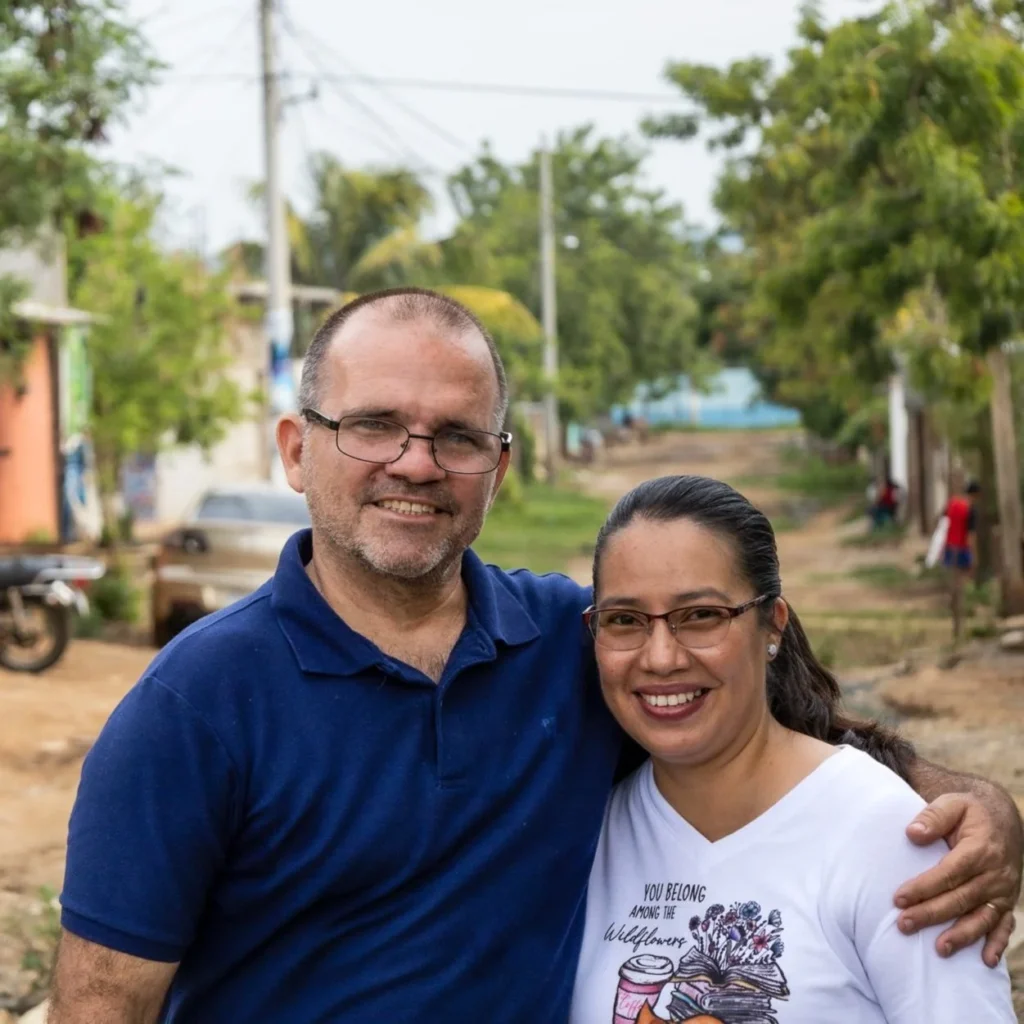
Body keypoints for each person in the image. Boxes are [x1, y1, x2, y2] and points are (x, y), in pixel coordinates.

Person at [51, 289, 1021, 1023]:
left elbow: (776, 725)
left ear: (498, 466)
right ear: (297, 448)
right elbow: (102, 1006)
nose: (416, 462)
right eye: (375, 425)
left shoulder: (575, 642)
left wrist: (970, 804)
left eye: (456, 435)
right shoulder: (193, 708)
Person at [571, 475, 1016, 1023]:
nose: (661, 657)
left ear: (772, 627)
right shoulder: (587, 837)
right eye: (625, 620)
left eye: (701, 615)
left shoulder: (886, 836)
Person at [943, 479, 981, 645]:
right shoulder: (970, 510)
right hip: (962, 549)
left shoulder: (952, 504)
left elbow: (942, 524)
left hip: (949, 548)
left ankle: (955, 623)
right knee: (961, 587)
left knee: (954, 583)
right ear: (976, 494)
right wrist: (974, 556)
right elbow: (971, 536)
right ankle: (959, 626)